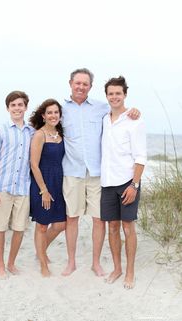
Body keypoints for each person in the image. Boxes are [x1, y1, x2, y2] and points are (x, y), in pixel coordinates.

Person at [61, 68, 140, 277]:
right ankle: (71, 262)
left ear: (90, 87)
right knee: (72, 218)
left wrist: (134, 111)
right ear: (70, 83)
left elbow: (121, 112)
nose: (81, 87)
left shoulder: (101, 108)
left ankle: (96, 263)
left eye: (85, 84)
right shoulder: (61, 109)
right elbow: (45, 128)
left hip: (98, 173)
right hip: (72, 171)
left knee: (99, 220)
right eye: (77, 83)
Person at [100, 76, 147, 289]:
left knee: (128, 228)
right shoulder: (104, 119)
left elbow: (141, 157)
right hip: (107, 182)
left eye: (118, 93)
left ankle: (130, 272)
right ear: (107, 96)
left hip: (127, 183)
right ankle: (117, 268)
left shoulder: (134, 120)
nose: (114, 97)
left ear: (125, 95)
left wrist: (134, 185)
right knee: (112, 228)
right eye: (111, 93)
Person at [0, 90, 34, 279]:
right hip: (2, 188)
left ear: (25, 107)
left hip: (23, 189)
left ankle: (12, 263)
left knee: (19, 229)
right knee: (0, 228)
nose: (17, 108)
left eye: (20, 105)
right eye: (13, 105)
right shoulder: (1, 130)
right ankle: (0, 266)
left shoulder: (31, 132)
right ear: (8, 108)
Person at [29, 99, 66, 277]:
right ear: (43, 116)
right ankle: (43, 263)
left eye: (56, 112)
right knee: (42, 225)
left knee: (60, 224)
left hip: (59, 183)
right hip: (42, 183)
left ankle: (40, 250)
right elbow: (34, 165)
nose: (53, 115)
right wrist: (43, 190)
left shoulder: (60, 134)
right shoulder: (39, 135)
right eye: (49, 112)